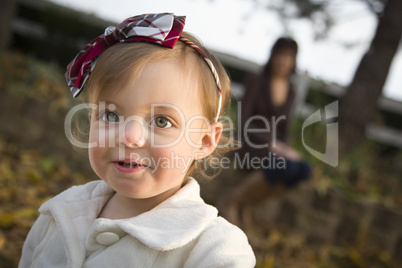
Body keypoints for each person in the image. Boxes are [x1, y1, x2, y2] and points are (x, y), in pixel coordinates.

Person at [19, 13, 255, 268]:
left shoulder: (213, 250)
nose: (129, 136)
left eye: (161, 121)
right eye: (110, 115)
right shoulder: (59, 213)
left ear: (205, 141)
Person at [218, 37, 311, 227]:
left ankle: (245, 204)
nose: (282, 60)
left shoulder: (291, 91)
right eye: (279, 54)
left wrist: (286, 149)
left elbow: (285, 129)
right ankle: (230, 201)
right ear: (272, 56)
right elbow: (243, 122)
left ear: (293, 61)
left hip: (273, 149)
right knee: (280, 164)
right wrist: (271, 144)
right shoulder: (257, 81)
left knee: (302, 169)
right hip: (248, 142)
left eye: (288, 56)